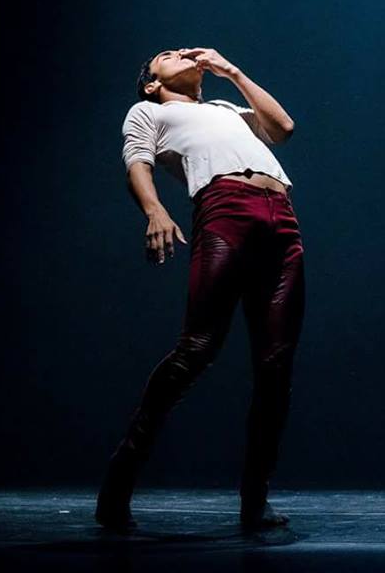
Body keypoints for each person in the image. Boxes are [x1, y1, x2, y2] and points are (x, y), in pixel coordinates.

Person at [95, 46, 305, 533]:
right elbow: (137, 162)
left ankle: (255, 500)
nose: (182, 53)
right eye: (166, 55)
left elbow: (283, 128)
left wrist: (231, 70)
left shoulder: (225, 107)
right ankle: (120, 480)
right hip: (225, 210)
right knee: (197, 348)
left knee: (276, 365)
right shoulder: (148, 111)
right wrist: (154, 211)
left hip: (282, 219)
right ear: (152, 83)